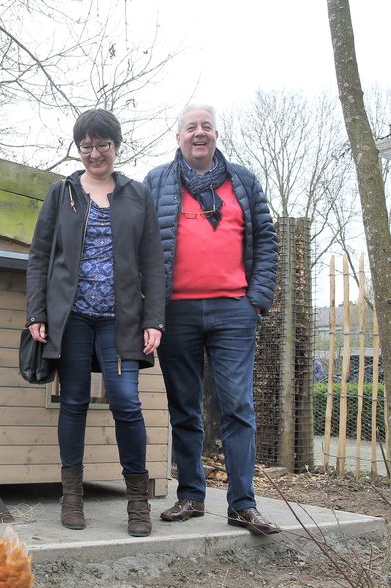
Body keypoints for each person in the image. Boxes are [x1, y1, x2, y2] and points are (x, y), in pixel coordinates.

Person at [25, 109, 166, 537]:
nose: (94, 153)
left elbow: (153, 264)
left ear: (116, 146)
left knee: (126, 402)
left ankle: (137, 503)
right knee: (73, 402)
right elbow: (39, 256)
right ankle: (72, 497)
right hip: (72, 319)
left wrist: (154, 319)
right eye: (86, 145)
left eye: (102, 144)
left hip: (120, 321)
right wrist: (37, 312)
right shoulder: (61, 193)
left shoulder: (137, 195)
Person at [144, 104, 281, 535]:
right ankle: (191, 496)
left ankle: (243, 503)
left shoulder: (244, 181)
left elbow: (267, 243)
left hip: (233, 311)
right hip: (176, 310)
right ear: (178, 137)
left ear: (217, 134)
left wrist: (254, 300)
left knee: (237, 406)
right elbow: (142, 245)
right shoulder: (157, 182)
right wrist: (152, 307)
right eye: (190, 128)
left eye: (206, 126)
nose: (198, 133)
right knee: (184, 408)